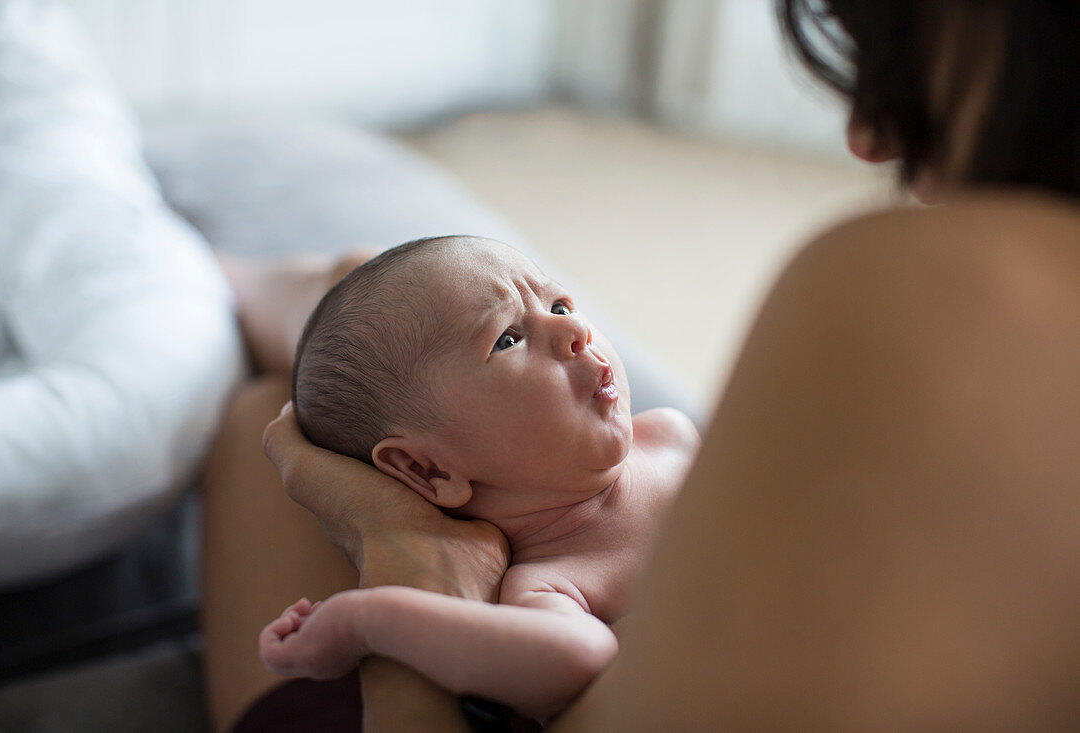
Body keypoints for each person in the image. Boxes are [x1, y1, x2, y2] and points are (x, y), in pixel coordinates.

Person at [206, 0, 1080, 730]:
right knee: (369, 313)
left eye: (901, 52)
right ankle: (246, 282)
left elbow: (567, 659)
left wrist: (400, 567)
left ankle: (219, 282)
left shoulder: (956, 290)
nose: (868, 135)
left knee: (264, 417)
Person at [256, 236, 697, 719]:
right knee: (256, 408)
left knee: (268, 391)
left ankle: (253, 286)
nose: (573, 329)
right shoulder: (550, 585)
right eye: (509, 338)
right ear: (428, 469)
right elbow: (577, 658)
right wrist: (363, 621)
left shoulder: (669, 435)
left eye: (560, 303)